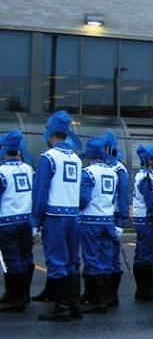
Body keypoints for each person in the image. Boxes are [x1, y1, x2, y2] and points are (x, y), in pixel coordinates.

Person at [32, 110, 83, 322]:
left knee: (56, 261)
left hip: (55, 216)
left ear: (51, 133)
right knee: (72, 261)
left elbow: (41, 191)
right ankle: (73, 305)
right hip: (73, 215)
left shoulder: (48, 158)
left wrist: (35, 221)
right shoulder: (76, 158)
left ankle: (61, 308)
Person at [78, 135, 119, 314]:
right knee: (106, 258)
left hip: (91, 220)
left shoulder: (88, 172)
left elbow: (83, 198)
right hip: (108, 219)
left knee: (91, 258)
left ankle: (95, 298)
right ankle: (106, 296)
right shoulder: (113, 172)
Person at [0, 131, 35, 313]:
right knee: (26, 256)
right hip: (26, 219)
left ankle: (15, 298)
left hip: (7, 222)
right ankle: (23, 293)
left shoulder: (1, 172)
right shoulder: (29, 169)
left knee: (12, 259)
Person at [131, 144, 153, 302]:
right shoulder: (146, 178)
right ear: (150, 160)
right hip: (147, 221)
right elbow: (151, 202)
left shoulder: (148, 175)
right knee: (146, 256)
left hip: (144, 220)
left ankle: (143, 291)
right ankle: (147, 292)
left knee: (142, 254)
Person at [101, 130, 128, 308]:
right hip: (103, 214)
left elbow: (123, 198)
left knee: (111, 257)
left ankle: (111, 295)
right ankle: (100, 293)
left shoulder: (119, 169)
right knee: (102, 256)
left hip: (113, 216)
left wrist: (120, 223)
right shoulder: (105, 167)